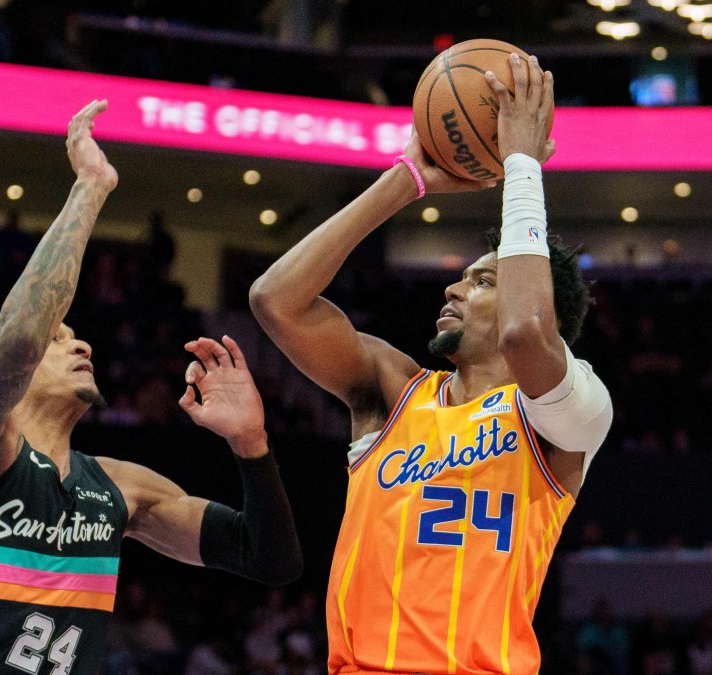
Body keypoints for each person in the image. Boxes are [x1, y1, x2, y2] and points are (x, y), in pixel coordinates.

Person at [0, 100, 301, 674]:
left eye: (74, 337)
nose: (82, 345)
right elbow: (20, 336)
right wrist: (91, 187)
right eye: (59, 339)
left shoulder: (122, 487)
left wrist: (251, 444)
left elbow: (270, 560)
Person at [250, 55, 612, 673]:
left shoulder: (571, 413)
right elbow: (275, 301)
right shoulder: (394, 392)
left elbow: (527, 333)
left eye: (482, 281)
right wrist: (406, 179)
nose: (452, 290)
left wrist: (522, 164)